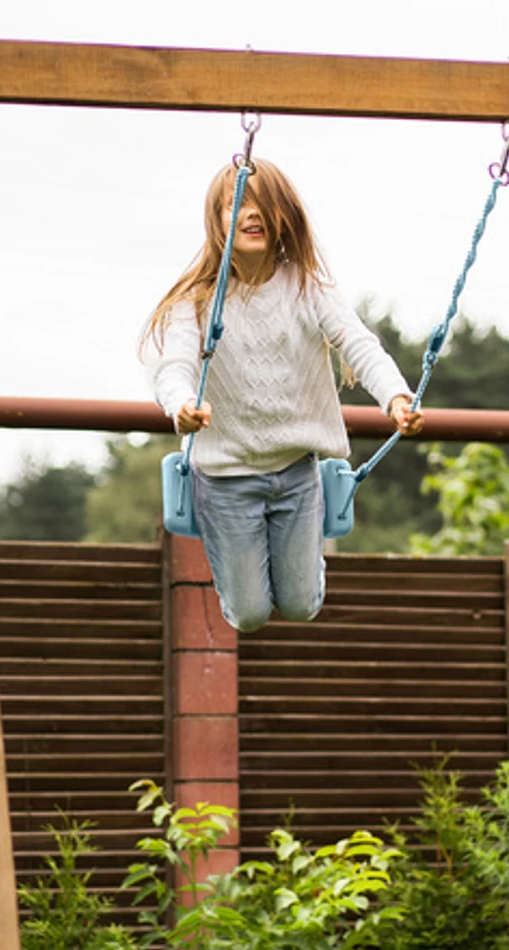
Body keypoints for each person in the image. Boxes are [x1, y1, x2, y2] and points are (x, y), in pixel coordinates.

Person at [140, 159, 424, 633]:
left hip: (296, 472)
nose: (251, 213)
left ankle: (307, 546)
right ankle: (238, 567)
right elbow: (174, 367)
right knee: (248, 614)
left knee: (300, 604)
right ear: (216, 222)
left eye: (263, 203)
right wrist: (182, 405)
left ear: (284, 215)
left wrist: (397, 397)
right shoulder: (199, 300)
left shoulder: (309, 288)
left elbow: (359, 344)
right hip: (225, 478)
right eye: (236, 204)